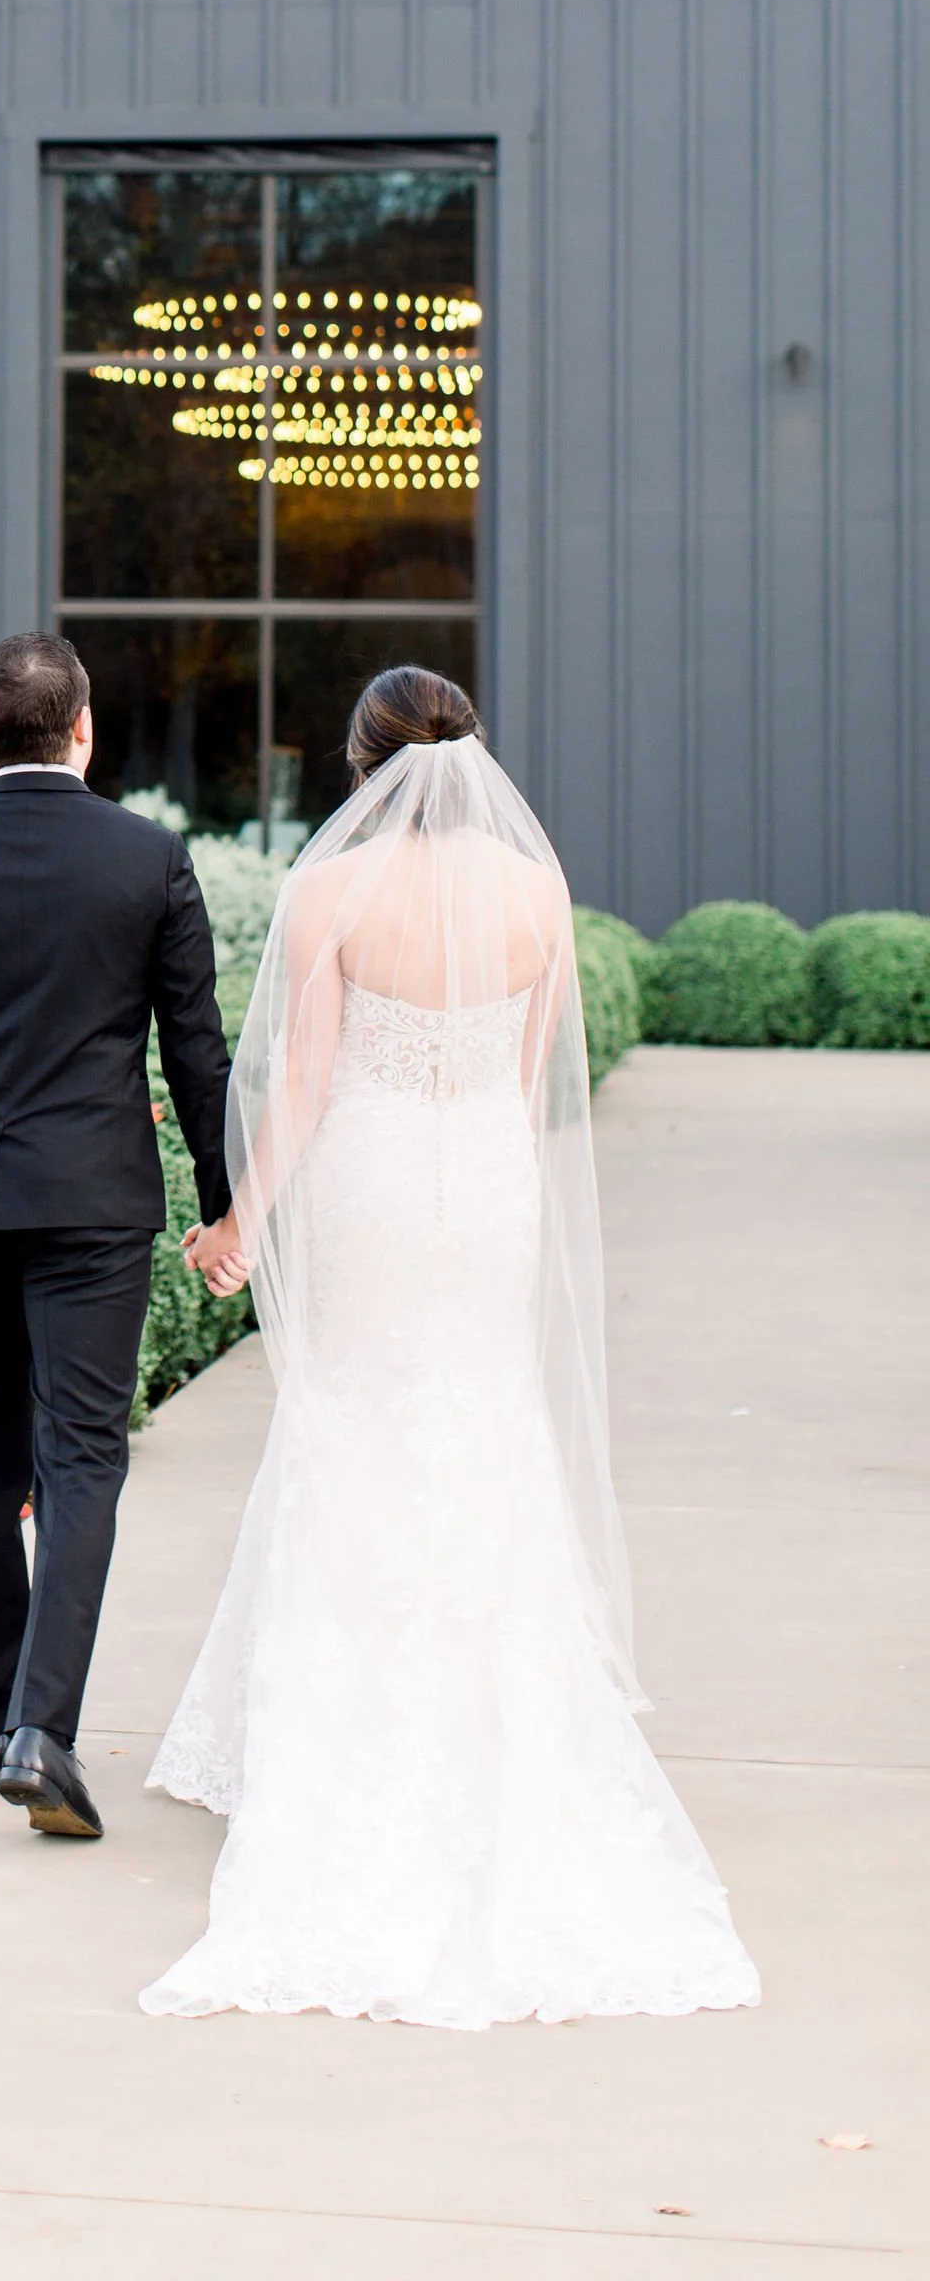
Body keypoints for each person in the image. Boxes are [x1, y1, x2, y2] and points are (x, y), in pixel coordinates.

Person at [142, 665, 760, 2028]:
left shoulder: (328, 893)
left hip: (368, 1175)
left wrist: (242, 1215)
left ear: (363, 764)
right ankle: (504, 1712)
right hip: (487, 1182)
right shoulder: (537, 894)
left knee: (354, 1420)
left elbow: (302, 1078)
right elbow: (532, 1067)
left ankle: (343, 1719)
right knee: (481, 1413)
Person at [0, 629, 234, 1839]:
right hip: (99, 1206)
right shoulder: (148, 859)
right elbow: (196, 1053)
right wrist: (226, 1197)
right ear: (82, 728)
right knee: (81, 1463)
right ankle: (42, 1733)